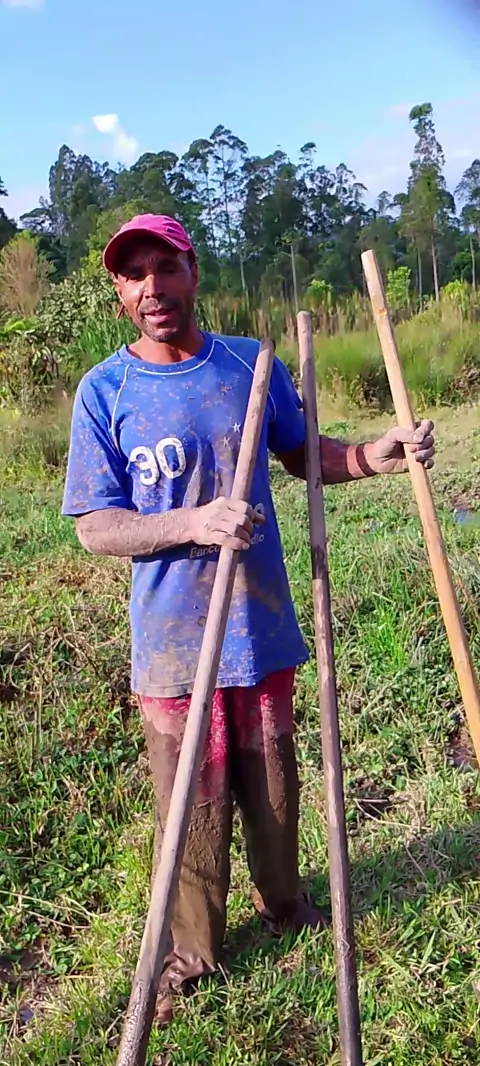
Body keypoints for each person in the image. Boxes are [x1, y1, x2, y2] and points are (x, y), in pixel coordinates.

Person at [62, 214, 435, 1023]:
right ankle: (194, 952)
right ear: (120, 290)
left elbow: (304, 455)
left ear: (193, 272)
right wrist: (194, 523)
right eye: (135, 275)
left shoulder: (248, 365)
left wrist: (373, 456)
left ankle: (284, 905)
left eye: (166, 267)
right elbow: (96, 525)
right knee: (191, 805)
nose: (153, 288)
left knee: (274, 786)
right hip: (172, 643)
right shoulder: (106, 391)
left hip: (258, 629)